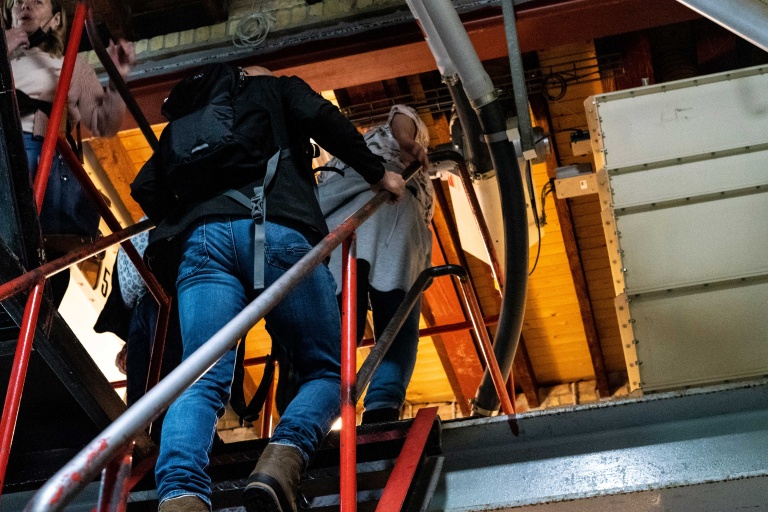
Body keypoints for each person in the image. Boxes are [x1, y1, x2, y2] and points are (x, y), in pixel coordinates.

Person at [130, 65, 405, 512]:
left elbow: (146, 186)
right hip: (280, 233)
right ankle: (280, 464)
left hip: (202, 242)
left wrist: (203, 208)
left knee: (199, 377)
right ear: (255, 74)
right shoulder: (277, 90)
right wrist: (378, 174)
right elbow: (325, 119)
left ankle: (180, 497)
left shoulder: (192, 117)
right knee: (328, 373)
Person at [4, 0, 135, 305]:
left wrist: (118, 78)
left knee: (43, 275)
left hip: (39, 166)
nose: (26, 6)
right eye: (19, 1)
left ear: (56, 17)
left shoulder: (71, 66)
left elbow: (103, 124)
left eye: (37, 2)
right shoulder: (4, 56)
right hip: (4, 158)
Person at [317, 105, 433, 424]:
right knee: (395, 310)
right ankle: (381, 402)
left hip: (339, 217)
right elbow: (403, 115)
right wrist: (406, 142)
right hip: (391, 200)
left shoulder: (340, 161)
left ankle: (322, 402)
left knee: (343, 315)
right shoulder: (382, 143)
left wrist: (405, 140)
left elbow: (401, 115)